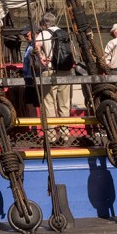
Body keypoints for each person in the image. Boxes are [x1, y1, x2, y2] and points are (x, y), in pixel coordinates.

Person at [35, 11, 74, 143]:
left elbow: (36, 47)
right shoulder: (64, 33)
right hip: (65, 71)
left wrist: (41, 58)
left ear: (44, 24)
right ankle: (65, 135)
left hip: (50, 71)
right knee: (64, 104)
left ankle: (51, 136)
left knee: (49, 104)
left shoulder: (43, 34)